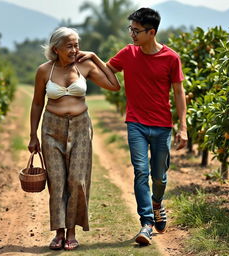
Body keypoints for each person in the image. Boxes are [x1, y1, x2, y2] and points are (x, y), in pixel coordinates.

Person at [77, 8, 188, 245]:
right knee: (141, 172)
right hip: (136, 123)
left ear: (152, 32)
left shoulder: (171, 58)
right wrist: (94, 58)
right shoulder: (128, 53)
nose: (132, 35)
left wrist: (183, 128)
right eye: (131, 29)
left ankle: (157, 203)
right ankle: (146, 223)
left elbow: (179, 92)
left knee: (159, 176)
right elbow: (107, 71)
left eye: (136, 31)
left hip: (162, 126)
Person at [27, 27, 120, 251]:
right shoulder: (44, 71)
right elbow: (38, 102)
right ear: (56, 49)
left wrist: (96, 57)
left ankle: (72, 232)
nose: (75, 49)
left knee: (77, 181)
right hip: (51, 129)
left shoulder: (85, 66)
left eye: (76, 44)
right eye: (69, 45)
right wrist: (33, 135)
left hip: (80, 128)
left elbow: (114, 86)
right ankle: (59, 233)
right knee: (57, 182)